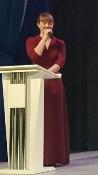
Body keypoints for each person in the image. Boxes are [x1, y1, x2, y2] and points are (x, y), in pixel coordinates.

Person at [26, 12, 70, 166]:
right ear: (38, 24)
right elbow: (34, 56)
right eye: (44, 23)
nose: (47, 25)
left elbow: (60, 62)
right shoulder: (31, 41)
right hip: (37, 82)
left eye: (49, 23)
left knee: (54, 120)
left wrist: (47, 74)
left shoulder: (59, 43)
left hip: (54, 82)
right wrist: (44, 38)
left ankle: (55, 157)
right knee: (40, 118)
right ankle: (40, 157)